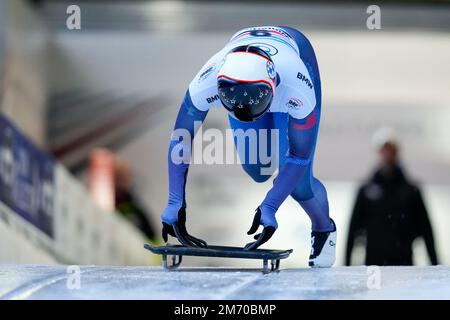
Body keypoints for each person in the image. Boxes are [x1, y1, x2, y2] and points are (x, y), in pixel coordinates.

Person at [161, 26, 336, 267]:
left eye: (254, 101)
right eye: (231, 99)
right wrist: (174, 201)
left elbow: (298, 156)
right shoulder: (206, 82)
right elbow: (181, 139)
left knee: (298, 185)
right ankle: (251, 101)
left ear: (273, 85)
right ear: (221, 86)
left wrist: (270, 206)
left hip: (295, 53)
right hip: (253, 78)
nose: (245, 111)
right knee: (257, 168)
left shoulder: (297, 86)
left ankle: (323, 228)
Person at [345, 128, 439, 266]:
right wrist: (346, 266)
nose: (388, 155)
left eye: (391, 150)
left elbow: (427, 231)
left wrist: (436, 266)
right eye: (384, 150)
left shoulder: (411, 191)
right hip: (373, 267)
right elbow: (352, 230)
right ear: (378, 153)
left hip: (404, 265)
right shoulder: (366, 191)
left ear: (397, 152)